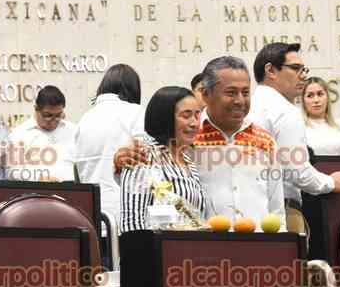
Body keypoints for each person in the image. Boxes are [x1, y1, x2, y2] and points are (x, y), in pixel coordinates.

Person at [114, 56, 286, 230]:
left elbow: (277, 209)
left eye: (246, 92)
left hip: (257, 242)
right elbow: (144, 178)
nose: (240, 100)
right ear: (205, 94)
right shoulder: (184, 136)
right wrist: (121, 161)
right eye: (231, 92)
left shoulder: (265, 140)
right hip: (200, 244)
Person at [248, 42, 340, 233]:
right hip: (281, 213)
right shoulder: (284, 110)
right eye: (295, 68)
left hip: (247, 212)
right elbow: (298, 172)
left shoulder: (249, 105)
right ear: (270, 70)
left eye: (303, 69)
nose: (302, 75)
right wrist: (331, 182)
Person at [120, 86, 205, 233]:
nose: (194, 123)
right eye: (186, 116)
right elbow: (132, 223)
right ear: (165, 118)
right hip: (155, 247)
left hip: (190, 247)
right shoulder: (143, 156)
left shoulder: (189, 162)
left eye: (197, 115)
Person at [75, 64, 145, 222]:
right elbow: (145, 162)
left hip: (92, 211)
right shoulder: (136, 113)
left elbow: (78, 170)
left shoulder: (85, 118)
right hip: (127, 214)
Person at [8, 85, 78, 182]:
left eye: (58, 115)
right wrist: (38, 178)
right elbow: (12, 171)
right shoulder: (19, 134)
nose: (54, 120)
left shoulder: (73, 130)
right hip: (37, 189)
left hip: (72, 188)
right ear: (36, 109)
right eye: (48, 115)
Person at [301, 77, 340, 155]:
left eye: (320, 94)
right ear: (303, 100)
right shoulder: (297, 127)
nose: (316, 100)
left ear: (327, 97)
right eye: (310, 96)